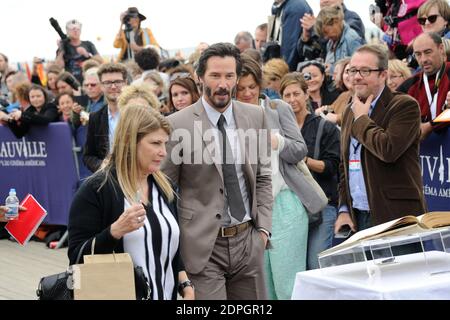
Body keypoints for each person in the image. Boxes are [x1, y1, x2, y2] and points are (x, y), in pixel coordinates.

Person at [161, 43, 273, 300]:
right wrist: (178, 251)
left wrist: (263, 231)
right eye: (215, 76)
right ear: (199, 77)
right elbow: (165, 189)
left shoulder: (256, 116)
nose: (223, 84)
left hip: (249, 241)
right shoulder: (175, 124)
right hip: (202, 246)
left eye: (229, 76)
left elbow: (264, 176)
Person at [68, 104, 194, 300]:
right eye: (155, 143)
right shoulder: (97, 189)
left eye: (165, 144)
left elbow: (168, 245)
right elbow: (76, 257)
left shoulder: (165, 187)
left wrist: (185, 284)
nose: (163, 152)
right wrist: (115, 231)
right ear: (130, 142)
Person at [236, 54, 311, 299]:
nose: (247, 93)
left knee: (287, 285)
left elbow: (300, 149)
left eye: (252, 87)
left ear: (261, 85)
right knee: (262, 288)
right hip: (248, 210)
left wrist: (276, 141)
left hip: (284, 204)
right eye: (241, 88)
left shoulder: (279, 108)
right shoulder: (227, 118)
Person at [335, 44, 426, 235]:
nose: (357, 76)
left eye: (365, 71)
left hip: (395, 216)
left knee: (401, 266)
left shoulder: (403, 106)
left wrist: (361, 119)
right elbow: (345, 166)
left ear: (383, 75)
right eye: (352, 70)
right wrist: (344, 208)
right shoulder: (350, 110)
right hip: (358, 217)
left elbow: (388, 150)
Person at [280, 72, 340, 270]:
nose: (292, 100)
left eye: (296, 94)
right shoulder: (278, 129)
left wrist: (301, 158)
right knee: (294, 267)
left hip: (322, 205)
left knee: (316, 264)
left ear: (306, 95)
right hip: (290, 206)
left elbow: (331, 167)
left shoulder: (325, 127)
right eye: (287, 95)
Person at [397, 32, 450, 139]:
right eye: (418, 54)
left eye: (428, 52)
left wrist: (430, 126)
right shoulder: (410, 84)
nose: (423, 59)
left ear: (441, 49)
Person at [83, 63, 127, 173]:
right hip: (108, 180)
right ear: (101, 86)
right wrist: (101, 165)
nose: (113, 86)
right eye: (107, 83)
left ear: (125, 83)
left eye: (117, 82)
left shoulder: (138, 113)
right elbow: (88, 156)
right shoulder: (95, 118)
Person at [267, 0, 313, 71]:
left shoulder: (295, 7)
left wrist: (285, 74)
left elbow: (290, 48)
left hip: (290, 72)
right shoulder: (280, 6)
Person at [55, 19, 103, 83]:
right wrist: (61, 49)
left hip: (89, 81)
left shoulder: (88, 44)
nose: (75, 31)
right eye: (72, 29)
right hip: (72, 82)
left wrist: (87, 54)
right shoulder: (64, 46)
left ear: (80, 31)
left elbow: (100, 61)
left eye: (78, 29)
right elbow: (58, 67)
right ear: (67, 31)